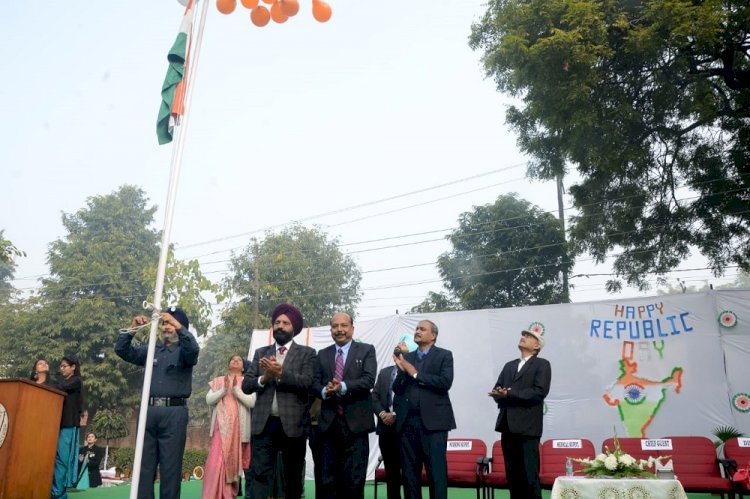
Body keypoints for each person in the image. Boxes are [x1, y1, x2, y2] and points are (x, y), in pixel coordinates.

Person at [115, 306, 199, 499]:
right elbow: (121, 350)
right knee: (143, 469)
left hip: (174, 414)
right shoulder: (152, 349)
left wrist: (178, 325)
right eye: (164, 323)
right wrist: (133, 328)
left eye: (170, 323)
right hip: (148, 412)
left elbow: (193, 349)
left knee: (170, 469)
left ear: (180, 327)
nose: (166, 327)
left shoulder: (186, 352)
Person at [242, 303, 316, 499]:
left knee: (292, 478)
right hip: (264, 425)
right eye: (277, 322)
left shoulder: (306, 353)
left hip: (293, 425)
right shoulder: (261, 353)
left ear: (294, 328)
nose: (280, 326)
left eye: (285, 323)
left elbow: (308, 383)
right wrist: (264, 378)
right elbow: (246, 386)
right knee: (259, 475)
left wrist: (281, 373)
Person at [312, 312, 377, 499]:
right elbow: (315, 384)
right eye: (335, 326)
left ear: (352, 328)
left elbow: (369, 380)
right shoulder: (323, 354)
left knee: (354, 481)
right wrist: (325, 390)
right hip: (328, 426)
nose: (339, 330)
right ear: (330, 329)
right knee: (326, 480)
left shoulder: (366, 350)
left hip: (356, 426)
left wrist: (343, 386)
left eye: (344, 325)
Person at [392, 320, 455, 499]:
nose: (417, 331)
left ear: (433, 335)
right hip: (407, 424)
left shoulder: (444, 355)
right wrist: (402, 372)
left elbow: (445, 383)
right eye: (417, 328)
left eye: (422, 329)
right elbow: (397, 389)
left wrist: (416, 374)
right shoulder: (408, 357)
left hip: (434, 425)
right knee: (410, 476)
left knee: (436, 473)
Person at [489, 329, 551, 499]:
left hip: (528, 428)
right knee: (512, 475)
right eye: (523, 335)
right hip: (507, 426)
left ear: (537, 346)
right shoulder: (509, 365)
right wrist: (498, 395)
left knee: (529, 476)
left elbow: (539, 392)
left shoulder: (542, 364)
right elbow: (499, 389)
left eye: (529, 336)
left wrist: (509, 394)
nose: (523, 337)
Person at [202, 354, 257, 499]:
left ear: (243, 367)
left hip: (239, 430)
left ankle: (228, 494)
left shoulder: (248, 381)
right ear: (228, 364)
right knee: (216, 460)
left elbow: (252, 402)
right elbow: (209, 400)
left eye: (239, 360)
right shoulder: (219, 380)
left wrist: (237, 391)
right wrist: (224, 390)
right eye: (232, 359)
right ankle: (212, 494)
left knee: (236, 462)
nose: (235, 361)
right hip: (221, 428)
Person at [372, 341, 410, 499]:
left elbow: (412, 399)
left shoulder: (412, 373)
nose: (398, 356)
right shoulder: (384, 372)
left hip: (406, 429)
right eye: (396, 353)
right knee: (391, 473)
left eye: (402, 353)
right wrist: (382, 414)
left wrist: (395, 415)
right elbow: (374, 396)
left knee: (409, 472)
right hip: (386, 430)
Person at [50, 355, 84, 499]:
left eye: (64, 366)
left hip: (68, 424)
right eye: (61, 366)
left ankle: (58, 493)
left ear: (73, 367)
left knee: (62, 459)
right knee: (54, 458)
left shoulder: (76, 381)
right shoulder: (61, 381)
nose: (61, 369)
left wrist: (48, 379)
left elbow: (62, 387)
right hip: (57, 423)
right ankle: (56, 491)